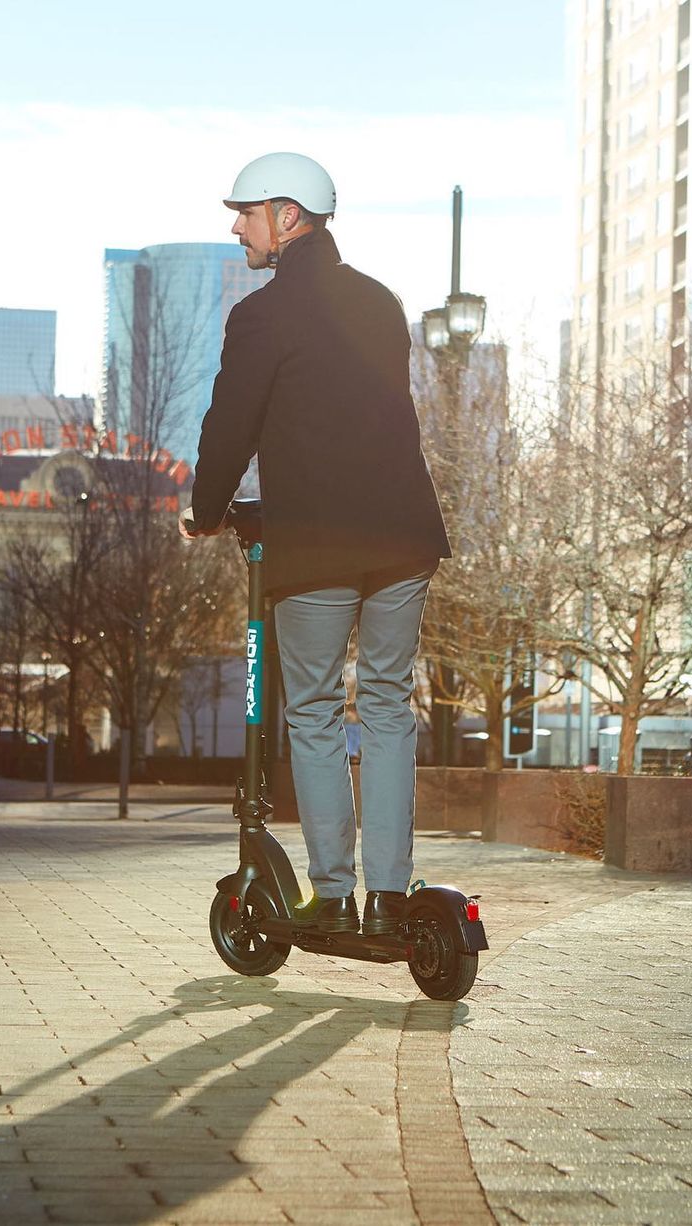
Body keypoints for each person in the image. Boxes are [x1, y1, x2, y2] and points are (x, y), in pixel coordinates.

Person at [180, 153, 451, 936]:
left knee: (316, 711)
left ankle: (333, 897)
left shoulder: (262, 316)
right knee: (391, 706)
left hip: (318, 543)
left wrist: (206, 511)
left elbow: (231, 425)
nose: (239, 228)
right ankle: (390, 898)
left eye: (247, 213)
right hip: (403, 534)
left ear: (288, 216)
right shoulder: (380, 301)